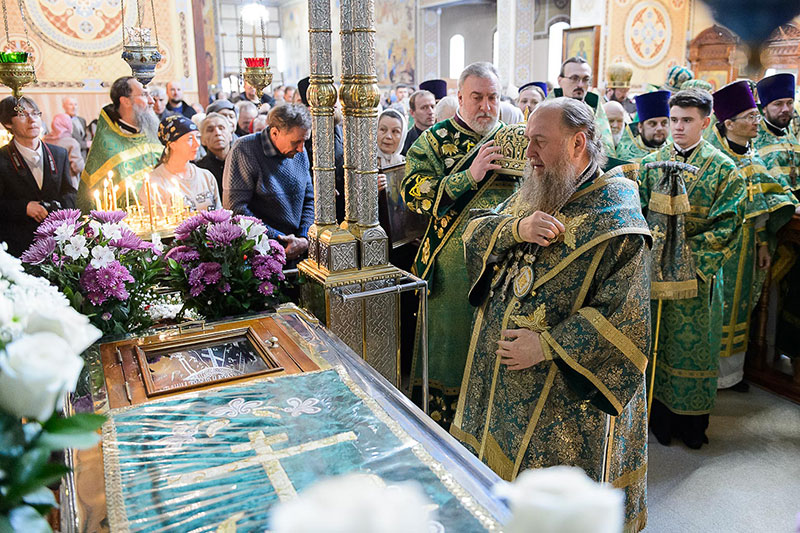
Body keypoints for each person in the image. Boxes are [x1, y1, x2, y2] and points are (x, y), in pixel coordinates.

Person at [451, 97, 650, 532]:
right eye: (527, 141)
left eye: (540, 142)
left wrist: (547, 345)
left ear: (579, 143)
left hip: (564, 395)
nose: (529, 154)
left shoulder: (618, 220)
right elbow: (473, 231)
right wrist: (514, 229)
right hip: (498, 383)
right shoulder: (541, 187)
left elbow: (627, 317)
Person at [402, 62, 518, 426]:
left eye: (493, 97)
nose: (486, 106)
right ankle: (443, 426)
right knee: (451, 352)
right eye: (477, 97)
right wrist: (468, 176)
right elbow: (413, 194)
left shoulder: (516, 139)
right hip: (451, 271)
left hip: (509, 263)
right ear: (460, 98)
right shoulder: (433, 141)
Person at [638, 89, 744, 449]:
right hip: (652, 277)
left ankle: (691, 426)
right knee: (655, 345)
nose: (678, 128)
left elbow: (728, 224)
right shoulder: (651, 164)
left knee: (693, 348)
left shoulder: (724, 170)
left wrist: (683, 262)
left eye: (686, 121)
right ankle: (656, 420)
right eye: (673, 120)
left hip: (696, 280)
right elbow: (636, 211)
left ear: (706, 122)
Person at [708, 81, 797, 392]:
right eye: (749, 116)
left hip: (747, 244)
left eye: (755, 115)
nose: (756, 120)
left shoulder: (753, 155)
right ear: (729, 123)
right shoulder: (714, 158)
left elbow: (762, 201)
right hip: (720, 246)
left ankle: (732, 375)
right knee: (716, 310)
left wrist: (761, 242)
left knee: (742, 305)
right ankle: (711, 376)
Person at [223, 103, 313, 266]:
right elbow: (236, 209)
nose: (301, 149)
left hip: (299, 248)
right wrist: (279, 239)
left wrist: (304, 237)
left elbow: (309, 199)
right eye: (296, 142)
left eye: (304, 141)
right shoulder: (244, 149)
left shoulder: (299, 152)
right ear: (275, 133)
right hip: (260, 252)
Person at [0, 96, 76, 256]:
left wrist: (55, 207)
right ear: (7, 123)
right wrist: (24, 208)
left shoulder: (58, 153)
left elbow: (70, 192)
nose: (32, 120)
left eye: (35, 114)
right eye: (23, 115)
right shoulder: (3, 158)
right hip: (17, 245)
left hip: (56, 243)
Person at [78, 76, 161, 212]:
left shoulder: (153, 136)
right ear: (126, 101)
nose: (152, 101)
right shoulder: (107, 147)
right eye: (145, 95)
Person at [145, 115, 220, 213]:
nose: (197, 144)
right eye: (189, 138)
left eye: (197, 137)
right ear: (172, 144)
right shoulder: (155, 183)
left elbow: (220, 215)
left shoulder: (206, 176)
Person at [552, 56, 616, 157]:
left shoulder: (595, 113)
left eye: (586, 79)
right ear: (560, 80)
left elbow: (606, 152)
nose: (580, 85)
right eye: (574, 78)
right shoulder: (548, 112)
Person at [754, 73, 800, 198]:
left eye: (790, 103)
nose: (786, 109)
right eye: (778, 104)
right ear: (764, 108)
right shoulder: (755, 137)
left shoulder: (790, 133)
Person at [615, 90, 671, 163]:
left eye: (664, 123)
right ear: (640, 127)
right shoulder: (626, 157)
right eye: (653, 124)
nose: (659, 128)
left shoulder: (674, 150)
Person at [44, 113, 85, 188]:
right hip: (69, 183)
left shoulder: (45, 140)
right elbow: (77, 167)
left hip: (50, 182)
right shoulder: (71, 143)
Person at [196, 112, 232, 194]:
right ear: (202, 139)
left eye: (221, 128)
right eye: (210, 130)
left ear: (230, 135)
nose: (217, 133)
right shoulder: (200, 170)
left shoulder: (243, 163)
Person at [402, 90, 435, 156]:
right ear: (412, 112)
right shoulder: (405, 142)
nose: (431, 112)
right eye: (424, 108)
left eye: (432, 107)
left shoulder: (444, 135)